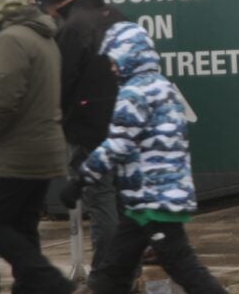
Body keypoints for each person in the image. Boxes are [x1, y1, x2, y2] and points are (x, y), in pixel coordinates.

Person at [59, 22, 227, 294]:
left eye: (114, 60)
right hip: (148, 199)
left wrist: (81, 179)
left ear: (129, 55)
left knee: (183, 266)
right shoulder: (162, 86)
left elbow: (118, 144)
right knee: (112, 271)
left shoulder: (134, 93)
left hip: (152, 198)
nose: (112, 68)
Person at [0, 0, 79, 294]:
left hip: (15, 155)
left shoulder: (10, 40)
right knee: (24, 229)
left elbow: (1, 104)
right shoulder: (43, 36)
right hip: (43, 152)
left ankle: (54, 285)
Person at [32, 0, 127, 272]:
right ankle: (128, 269)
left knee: (102, 204)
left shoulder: (72, 29)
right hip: (128, 123)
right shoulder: (114, 15)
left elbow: (62, 84)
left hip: (90, 132)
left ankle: (106, 276)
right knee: (125, 202)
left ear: (53, 3)